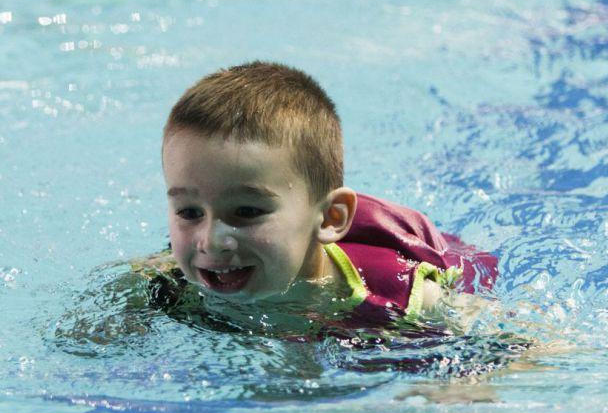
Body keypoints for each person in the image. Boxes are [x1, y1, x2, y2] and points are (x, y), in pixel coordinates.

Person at [151, 60, 499, 335]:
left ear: (330, 218)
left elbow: (518, 349)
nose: (211, 242)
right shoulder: (172, 276)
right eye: (189, 211)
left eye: (246, 211)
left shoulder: (404, 297)